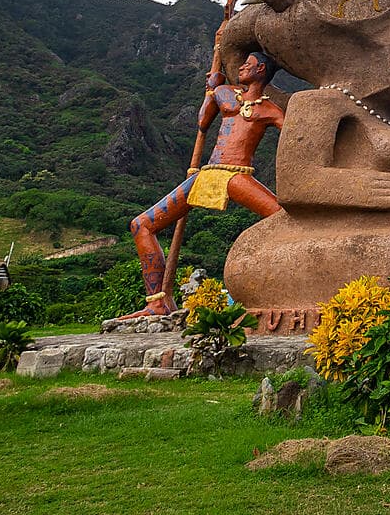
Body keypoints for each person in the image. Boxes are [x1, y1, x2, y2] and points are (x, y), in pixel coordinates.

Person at [122, 51, 286, 316]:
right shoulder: (224, 92)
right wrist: (210, 92)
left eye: (249, 64)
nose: (243, 67)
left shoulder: (269, 110)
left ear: (262, 69)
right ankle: (156, 302)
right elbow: (202, 122)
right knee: (141, 225)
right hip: (208, 173)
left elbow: (294, 137)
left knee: (285, 218)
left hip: (237, 175)